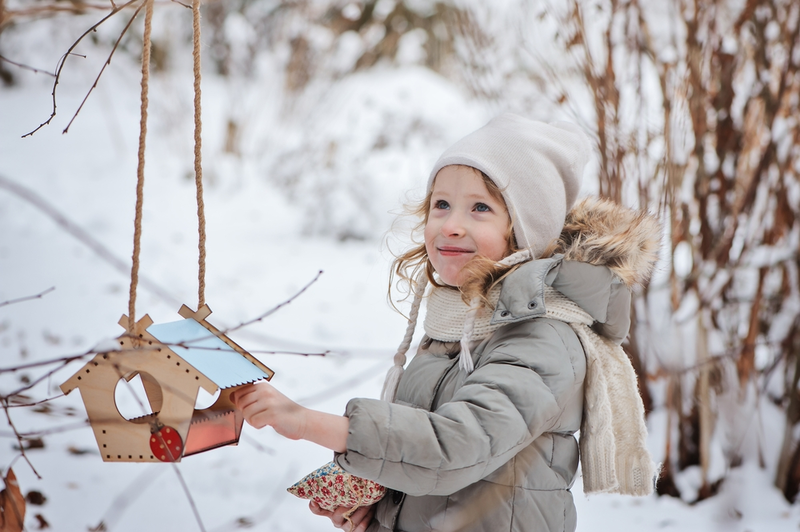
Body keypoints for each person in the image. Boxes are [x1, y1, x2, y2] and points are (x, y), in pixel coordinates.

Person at [231, 114, 660, 532]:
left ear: (524, 231)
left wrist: (305, 422)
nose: (451, 225)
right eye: (441, 204)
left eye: (479, 208)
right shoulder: (457, 323)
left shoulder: (544, 336)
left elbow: (455, 447)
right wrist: (378, 506)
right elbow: (425, 464)